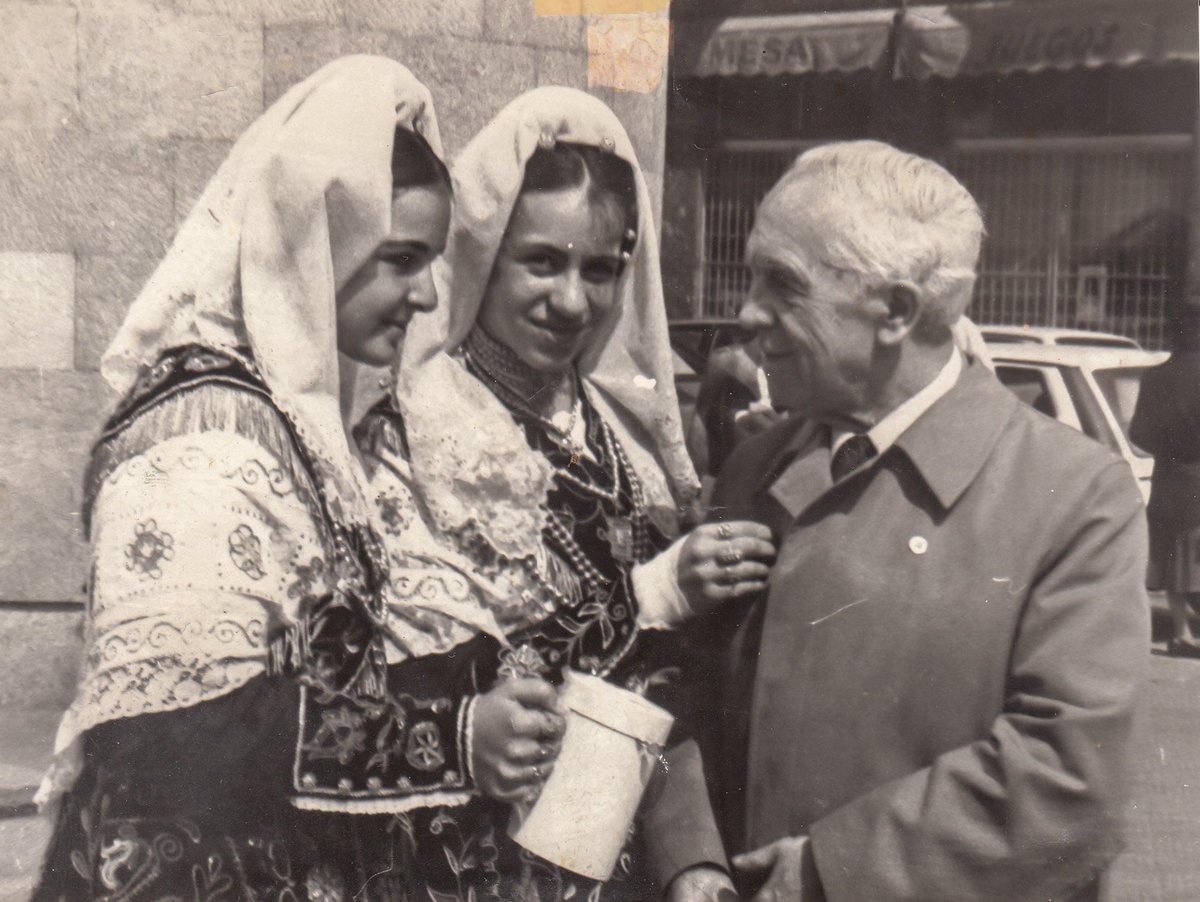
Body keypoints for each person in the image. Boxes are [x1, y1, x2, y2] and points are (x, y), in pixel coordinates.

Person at [34, 56, 463, 900]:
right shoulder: (199, 436)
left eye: (432, 261)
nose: (425, 295)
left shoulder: (299, 422)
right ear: (319, 242)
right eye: (402, 258)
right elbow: (172, 732)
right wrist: (452, 741)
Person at [696, 141, 1149, 901]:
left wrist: (830, 871)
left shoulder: (1075, 496)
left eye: (783, 283)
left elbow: (1072, 778)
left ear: (897, 312)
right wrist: (692, 860)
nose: (747, 311)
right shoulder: (756, 467)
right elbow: (682, 691)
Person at [355, 86, 769, 901]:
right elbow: (443, 680)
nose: (573, 301)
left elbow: (662, 688)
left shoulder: (626, 437)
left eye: (600, 270)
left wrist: (692, 859)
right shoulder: (417, 433)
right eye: (541, 262)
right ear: (483, 255)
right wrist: (653, 593)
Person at [1130, 307, 1200, 658]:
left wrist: (1170, 449)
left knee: (1174, 557)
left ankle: (1181, 632)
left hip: (1170, 478)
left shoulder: (1155, 377)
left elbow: (1138, 434)